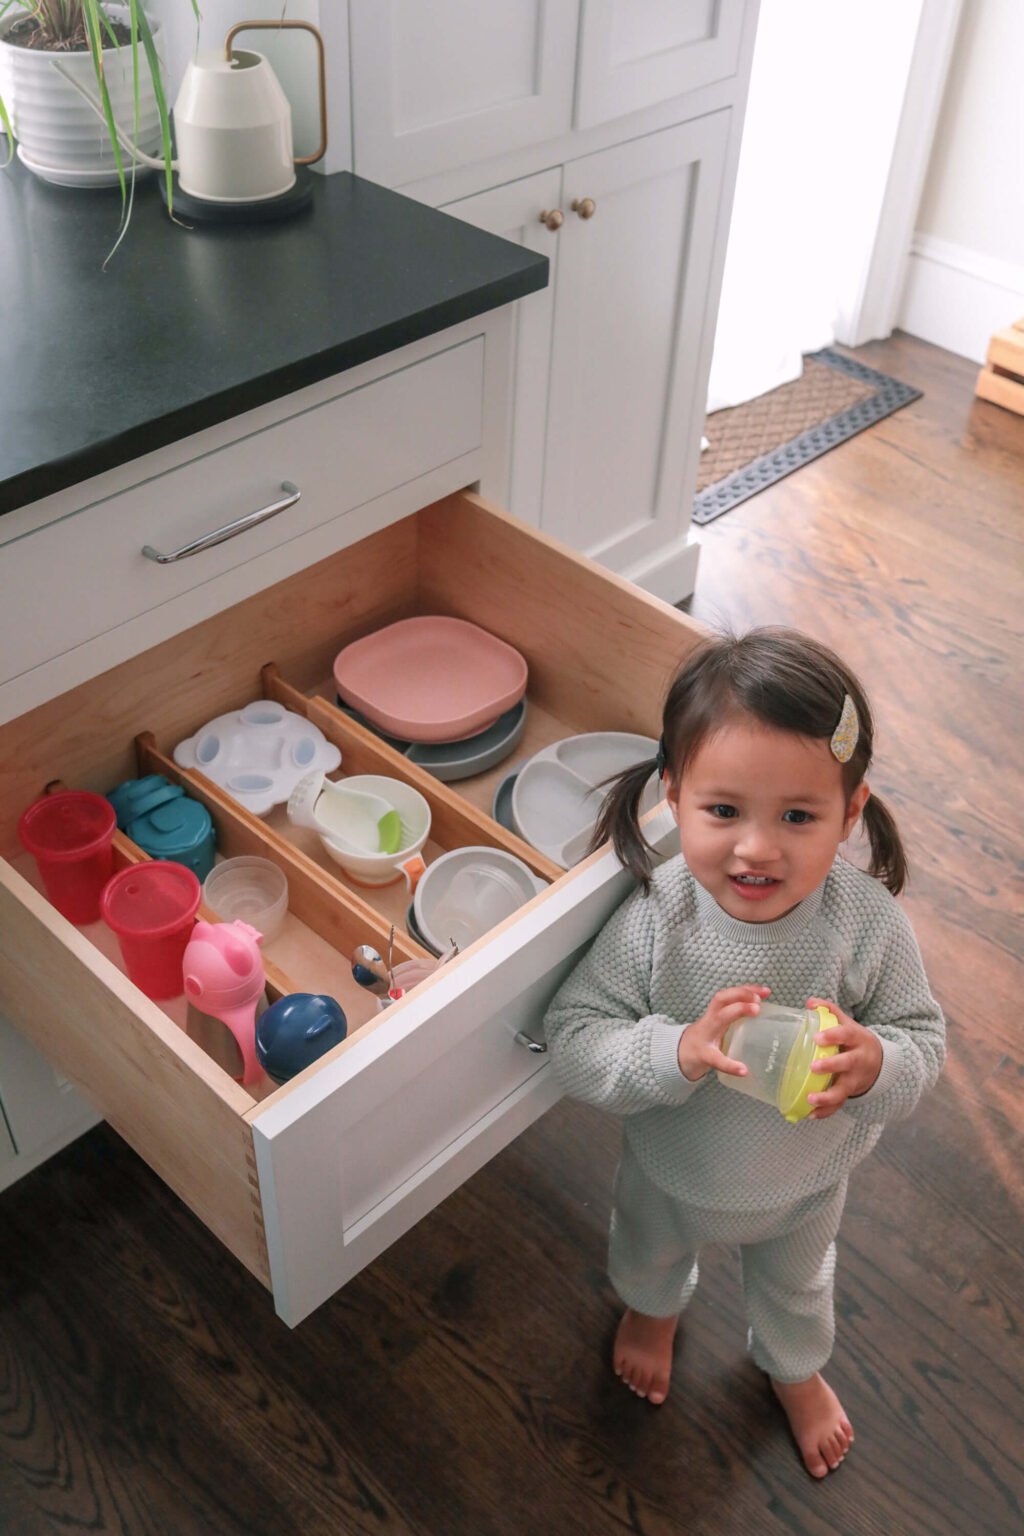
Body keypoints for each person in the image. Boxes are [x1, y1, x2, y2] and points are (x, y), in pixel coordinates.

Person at [543, 627, 945, 1479]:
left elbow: (923, 1040)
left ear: (851, 812)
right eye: (723, 811)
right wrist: (675, 1053)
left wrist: (876, 1063)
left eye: (799, 816)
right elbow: (575, 1039)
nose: (758, 848)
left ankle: (794, 1370)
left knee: (799, 1291)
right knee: (646, 1257)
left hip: (805, 1186)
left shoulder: (866, 926)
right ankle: (655, 1314)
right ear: (675, 794)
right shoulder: (660, 916)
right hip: (669, 1170)